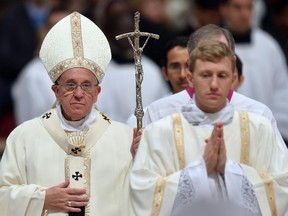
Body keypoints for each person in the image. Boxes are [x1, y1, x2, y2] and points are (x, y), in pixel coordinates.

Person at [130, 40, 288, 215]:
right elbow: (142, 190)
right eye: (206, 75)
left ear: (233, 79)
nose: (214, 84)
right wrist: (200, 170)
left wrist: (229, 171)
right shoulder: (159, 132)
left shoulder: (259, 128)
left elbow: (282, 185)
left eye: (222, 75)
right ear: (190, 78)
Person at [0, 11, 135, 216]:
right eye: (70, 85)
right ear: (56, 91)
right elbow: (2, 196)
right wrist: (42, 199)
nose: (79, 94)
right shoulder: (24, 137)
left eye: (86, 86)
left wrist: (142, 157)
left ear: (97, 93)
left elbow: (143, 199)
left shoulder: (124, 139)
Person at [142, 24, 287, 150]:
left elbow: (278, 174)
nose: (214, 60)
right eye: (206, 54)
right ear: (190, 64)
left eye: (221, 52)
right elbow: (149, 175)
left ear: (233, 61)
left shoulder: (259, 114)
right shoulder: (159, 113)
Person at [220, 0, 288, 144]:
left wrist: (269, 126)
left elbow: (282, 91)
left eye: (248, 7)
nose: (244, 14)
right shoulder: (214, 44)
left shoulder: (268, 45)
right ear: (224, 9)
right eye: (237, 8)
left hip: (267, 132)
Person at [95, 0, 170, 124]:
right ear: (108, 29)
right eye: (117, 19)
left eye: (129, 30)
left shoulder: (151, 70)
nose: (126, 35)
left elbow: (161, 111)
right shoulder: (97, 70)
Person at [12, 9, 70, 125]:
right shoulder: (33, 75)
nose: (58, 35)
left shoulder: (93, 71)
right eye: (52, 28)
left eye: (66, 29)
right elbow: (29, 127)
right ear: (42, 32)